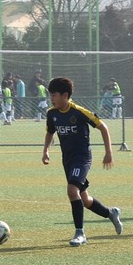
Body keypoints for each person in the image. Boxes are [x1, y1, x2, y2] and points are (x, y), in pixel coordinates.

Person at [42, 77, 122, 246]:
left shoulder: (78, 112)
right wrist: (46, 150)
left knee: (72, 190)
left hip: (82, 157)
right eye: (50, 95)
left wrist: (109, 152)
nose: (51, 98)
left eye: (54, 95)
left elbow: (102, 126)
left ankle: (80, 233)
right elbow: (50, 132)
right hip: (68, 160)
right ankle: (111, 213)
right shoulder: (52, 114)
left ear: (65, 95)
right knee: (85, 200)